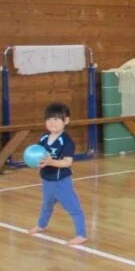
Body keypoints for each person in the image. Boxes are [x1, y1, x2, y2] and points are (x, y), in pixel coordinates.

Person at [28, 103, 87, 246]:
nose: (52, 122)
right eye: (48, 119)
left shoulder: (66, 141)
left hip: (61, 182)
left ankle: (81, 234)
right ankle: (41, 225)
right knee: (46, 205)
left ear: (66, 121)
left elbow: (67, 162)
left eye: (56, 119)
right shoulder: (43, 138)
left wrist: (50, 162)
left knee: (74, 208)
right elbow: (37, 155)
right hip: (47, 180)